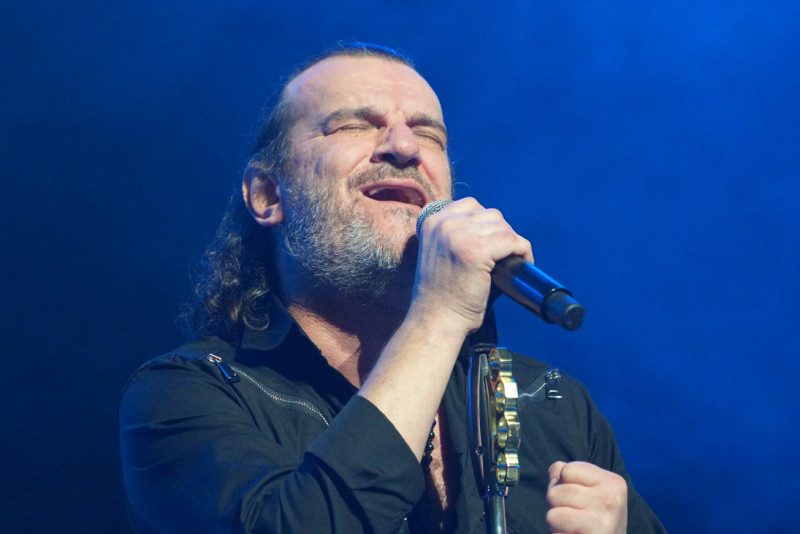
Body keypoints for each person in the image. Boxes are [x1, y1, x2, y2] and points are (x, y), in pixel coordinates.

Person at [119, 43, 666, 534]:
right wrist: (438, 314)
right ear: (268, 195)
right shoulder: (193, 394)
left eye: (429, 134)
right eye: (354, 125)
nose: (404, 147)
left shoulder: (552, 405)